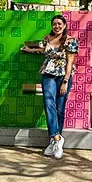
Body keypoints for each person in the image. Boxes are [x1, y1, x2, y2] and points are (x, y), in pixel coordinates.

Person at [21, 15, 78, 159]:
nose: (57, 26)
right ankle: (56, 138)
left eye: (59, 24)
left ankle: (54, 141)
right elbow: (42, 50)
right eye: (54, 24)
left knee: (59, 107)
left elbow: (70, 61)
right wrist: (28, 50)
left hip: (63, 75)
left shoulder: (71, 40)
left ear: (64, 25)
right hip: (48, 73)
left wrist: (65, 80)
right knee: (48, 102)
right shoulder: (47, 38)